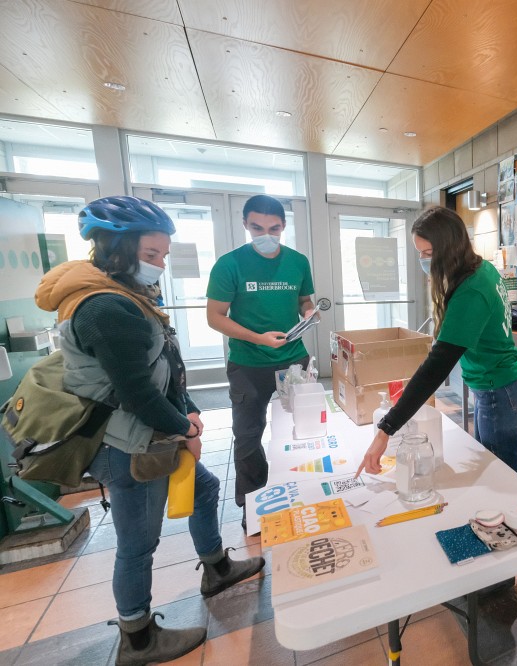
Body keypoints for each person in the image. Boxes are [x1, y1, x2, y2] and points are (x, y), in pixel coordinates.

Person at [35, 196, 264, 666]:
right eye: (151, 255)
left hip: (148, 432)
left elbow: (163, 365)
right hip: (129, 445)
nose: (159, 265)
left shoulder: (125, 295)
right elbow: (137, 393)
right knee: (138, 543)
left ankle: (216, 569)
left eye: (163, 255)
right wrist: (186, 428)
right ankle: (137, 636)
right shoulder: (105, 308)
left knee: (205, 489)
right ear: (116, 250)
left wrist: (190, 411)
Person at [356, 206, 517, 477]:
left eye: (429, 254)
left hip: (500, 392)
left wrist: (386, 429)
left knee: (504, 480)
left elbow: (438, 365)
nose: (424, 262)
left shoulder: (471, 290)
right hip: (499, 388)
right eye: (420, 254)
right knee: (498, 472)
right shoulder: (479, 267)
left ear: (450, 248)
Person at [206, 194, 316, 527]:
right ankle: (253, 505)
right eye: (257, 228)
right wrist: (257, 338)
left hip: (293, 359)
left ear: (283, 227)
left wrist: (310, 315)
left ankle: (306, 489)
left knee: (306, 427)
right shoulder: (230, 264)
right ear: (245, 225)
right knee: (249, 435)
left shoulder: (298, 262)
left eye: (274, 228)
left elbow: (304, 300)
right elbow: (214, 316)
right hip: (248, 362)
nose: (266, 234)